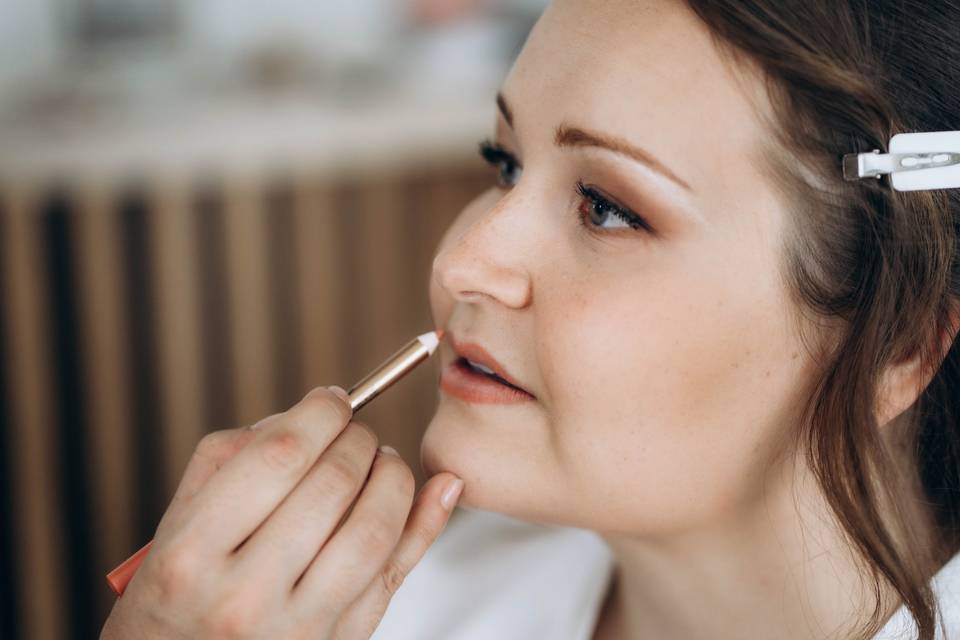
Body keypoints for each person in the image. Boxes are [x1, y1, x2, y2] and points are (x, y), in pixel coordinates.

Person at [101, 0, 960, 638]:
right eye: (505, 164)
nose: (460, 260)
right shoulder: (389, 616)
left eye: (608, 208)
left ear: (900, 345)